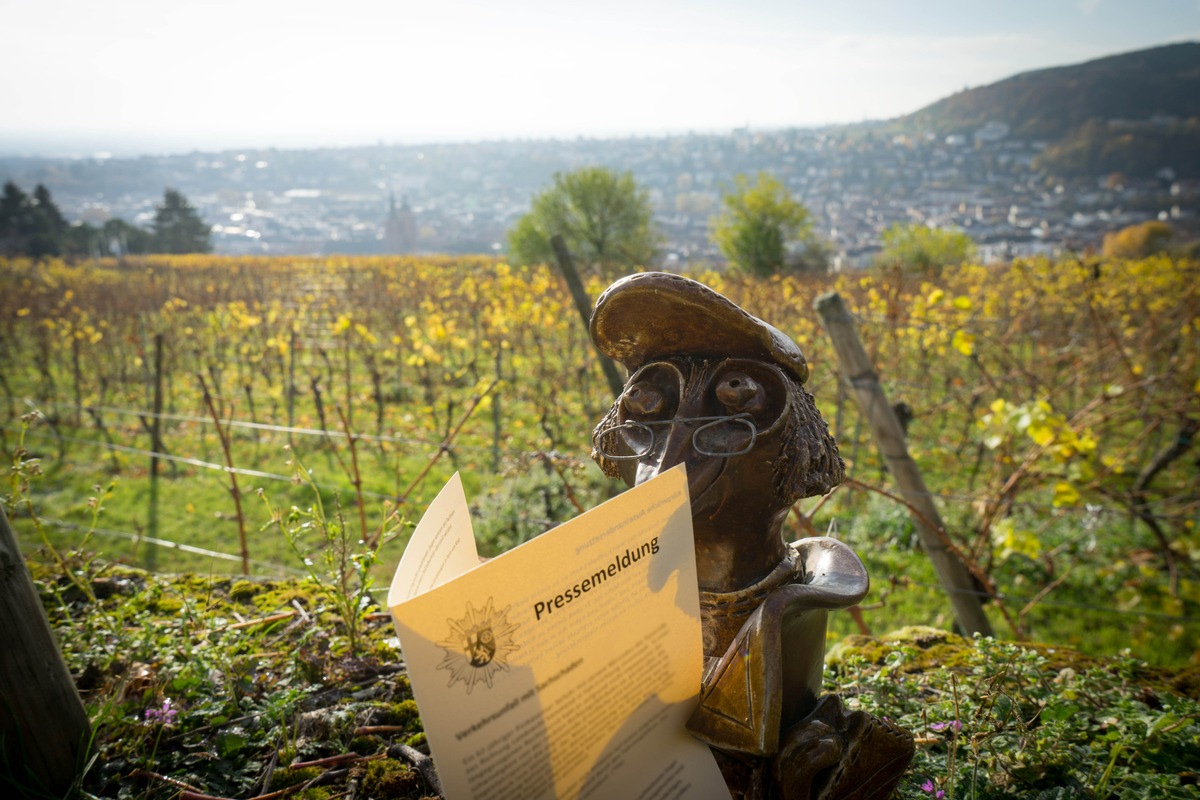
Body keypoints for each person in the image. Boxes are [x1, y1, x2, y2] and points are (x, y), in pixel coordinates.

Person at [590, 272, 913, 800]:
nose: (671, 456)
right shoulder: (601, 589)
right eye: (649, 405)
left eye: (737, 403)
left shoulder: (798, 604)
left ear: (796, 439)